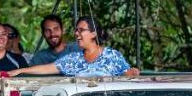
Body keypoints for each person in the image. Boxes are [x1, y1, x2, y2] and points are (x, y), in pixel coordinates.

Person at [11, 16, 139, 78]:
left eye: (81, 30)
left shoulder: (111, 55)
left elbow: (129, 75)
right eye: (76, 30)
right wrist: (21, 70)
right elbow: (47, 68)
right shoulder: (74, 59)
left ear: (93, 33)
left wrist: (133, 73)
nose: (77, 34)